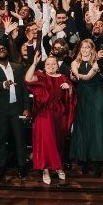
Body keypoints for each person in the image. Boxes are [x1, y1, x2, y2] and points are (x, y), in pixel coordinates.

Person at [25, 49, 76, 185]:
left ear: (57, 65)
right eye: (48, 64)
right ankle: (48, 169)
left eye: (53, 64)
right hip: (43, 114)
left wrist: (69, 88)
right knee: (47, 142)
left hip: (59, 114)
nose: (51, 66)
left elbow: (71, 97)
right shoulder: (40, 76)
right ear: (44, 66)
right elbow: (27, 79)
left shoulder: (62, 77)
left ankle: (56, 166)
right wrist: (34, 63)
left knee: (58, 142)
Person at [0, 39, 29, 180]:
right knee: (1, 140)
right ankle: (1, 167)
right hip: (1, 110)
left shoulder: (17, 67)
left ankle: (22, 166)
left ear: (7, 52)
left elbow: (24, 89)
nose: (1, 51)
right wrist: (3, 84)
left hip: (16, 109)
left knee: (20, 139)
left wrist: (26, 108)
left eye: (3, 49)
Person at [70, 38, 103, 176]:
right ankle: (84, 161)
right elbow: (77, 75)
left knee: (97, 128)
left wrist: (76, 76)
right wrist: (75, 77)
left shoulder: (97, 63)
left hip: (96, 97)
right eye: (83, 47)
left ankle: (97, 163)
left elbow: (85, 77)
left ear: (92, 49)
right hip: (82, 97)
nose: (85, 50)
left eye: (88, 47)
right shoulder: (75, 62)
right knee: (83, 128)